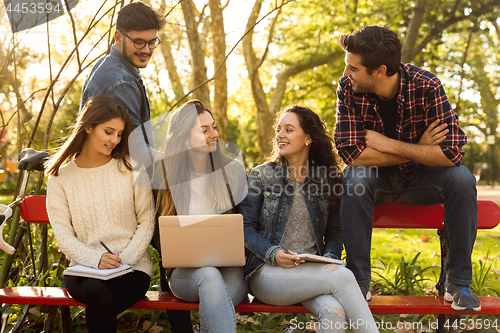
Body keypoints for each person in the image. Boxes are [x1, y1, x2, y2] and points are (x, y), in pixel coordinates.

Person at [335, 25, 480, 311]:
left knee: (462, 179)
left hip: (421, 184)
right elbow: (351, 153)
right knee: (355, 176)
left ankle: (459, 284)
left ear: (380, 71)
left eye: (353, 68)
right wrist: (421, 150)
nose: (345, 74)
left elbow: (452, 153)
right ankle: (359, 282)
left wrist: (387, 144)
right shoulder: (347, 88)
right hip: (375, 184)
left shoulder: (426, 85)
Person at [80, 4, 194, 330]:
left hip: (116, 181)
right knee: (176, 246)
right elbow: (134, 149)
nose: (146, 49)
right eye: (139, 42)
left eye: (152, 42)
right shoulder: (121, 81)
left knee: (173, 249)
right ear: (118, 37)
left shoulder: (113, 69)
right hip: (119, 187)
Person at [241, 105, 379, 333]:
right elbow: (244, 228)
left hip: (312, 271)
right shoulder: (261, 175)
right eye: (278, 130)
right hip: (267, 273)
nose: (280, 135)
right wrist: (273, 253)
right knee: (343, 276)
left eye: (288, 129)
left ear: (307, 138)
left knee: (335, 314)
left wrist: (329, 258)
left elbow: (336, 231)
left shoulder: (327, 179)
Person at [45, 95, 155, 333]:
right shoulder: (60, 178)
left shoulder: (131, 168)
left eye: (119, 134)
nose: (115, 140)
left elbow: (147, 222)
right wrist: (95, 259)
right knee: (98, 292)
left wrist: (122, 259)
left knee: (102, 297)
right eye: (108, 132)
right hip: (84, 270)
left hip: (132, 268)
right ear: (88, 127)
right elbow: (63, 236)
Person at [154, 100, 248, 333]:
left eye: (213, 128)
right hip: (184, 274)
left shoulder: (232, 172)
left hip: (230, 272)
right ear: (185, 138)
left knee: (214, 284)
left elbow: (247, 225)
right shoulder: (164, 175)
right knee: (208, 276)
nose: (214, 134)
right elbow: (156, 234)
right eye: (204, 130)